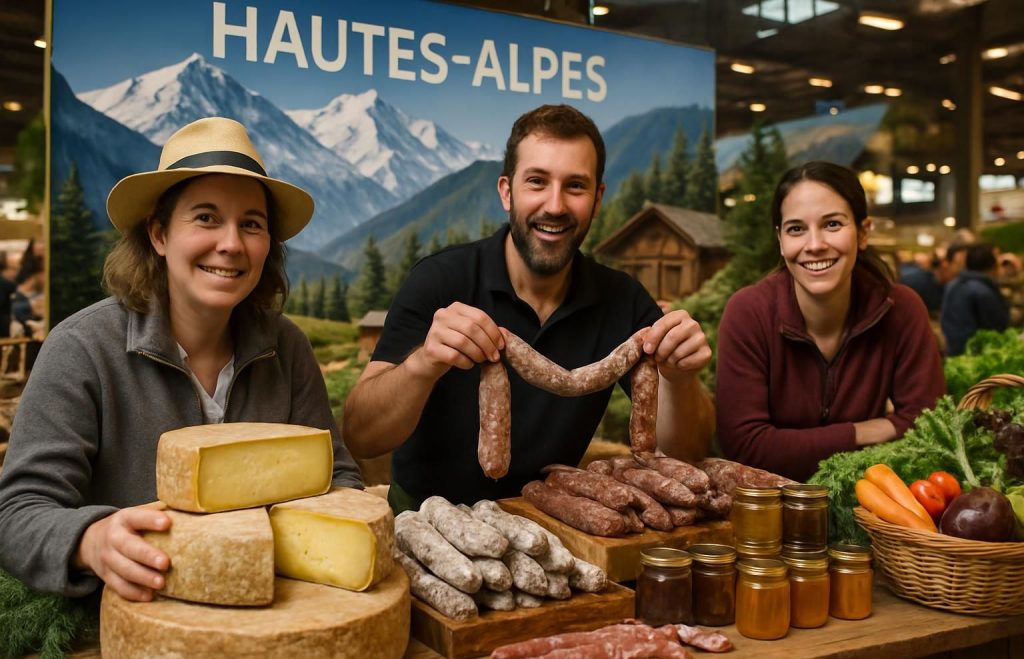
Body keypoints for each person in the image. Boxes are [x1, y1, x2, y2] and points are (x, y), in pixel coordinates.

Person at [0, 117, 362, 601]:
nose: (231, 244)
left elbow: (336, 477)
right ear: (159, 235)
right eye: (207, 218)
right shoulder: (82, 348)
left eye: (251, 224)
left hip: (272, 609)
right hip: (134, 615)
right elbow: (18, 511)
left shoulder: (287, 346)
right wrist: (91, 541)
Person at [342, 104, 715, 512]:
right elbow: (361, 436)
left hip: (556, 524)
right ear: (507, 191)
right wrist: (422, 365)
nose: (554, 205)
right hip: (425, 519)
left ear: (597, 199)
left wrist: (681, 381)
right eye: (537, 181)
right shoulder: (440, 280)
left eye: (575, 186)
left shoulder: (624, 301)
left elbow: (682, 454)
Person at [715, 161, 945, 482]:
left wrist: (789, 444)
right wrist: (861, 432)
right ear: (781, 241)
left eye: (832, 224)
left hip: (867, 507)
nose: (814, 245)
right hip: (772, 511)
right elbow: (744, 448)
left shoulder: (902, 309)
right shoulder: (749, 312)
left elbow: (928, 431)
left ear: (863, 233)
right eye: (796, 229)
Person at [941, 242, 1010, 356]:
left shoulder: (953, 284)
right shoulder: (983, 291)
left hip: (955, 356)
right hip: (977, 357)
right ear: (992, 265)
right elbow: (997, 329)